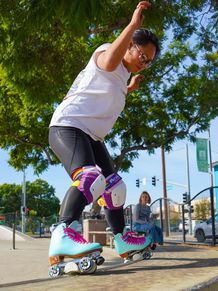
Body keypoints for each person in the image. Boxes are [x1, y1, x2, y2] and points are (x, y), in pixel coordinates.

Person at [48, 1, 160, 265]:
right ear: (130, 45)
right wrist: (132, 26)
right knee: (90, 178)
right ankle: (63, 233)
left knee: (114, 187)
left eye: (149, 62)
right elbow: (109, 64)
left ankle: (121, 240)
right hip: (68, 126)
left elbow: (104, 92)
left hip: (92, 136)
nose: (144, 64)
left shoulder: (123, 78)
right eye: (142, 56)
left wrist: (129, 88)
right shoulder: (106, 52)